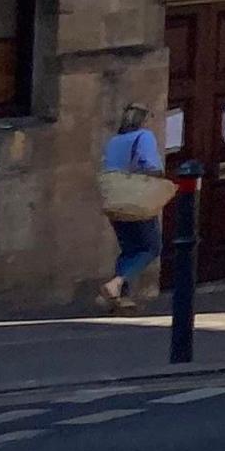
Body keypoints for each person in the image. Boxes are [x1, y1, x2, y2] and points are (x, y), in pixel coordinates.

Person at [95, 106, 166, 310]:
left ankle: (120, 297)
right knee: (151, 247)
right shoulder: (144, 136)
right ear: (142, 121)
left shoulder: (114, 141)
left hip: (114, 198)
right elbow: (151, 166)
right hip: (135, 198)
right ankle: (116, 283)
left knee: (129, 249)